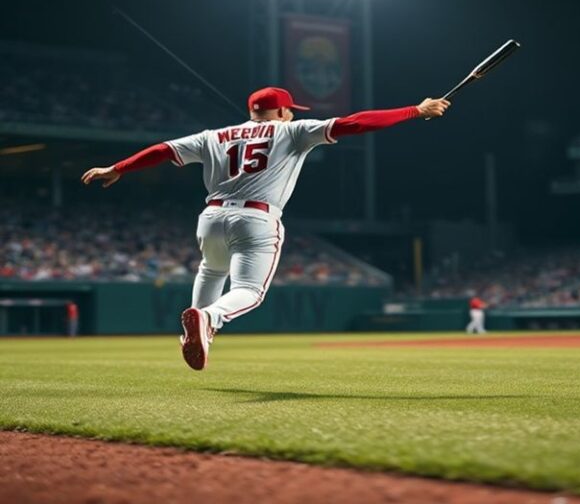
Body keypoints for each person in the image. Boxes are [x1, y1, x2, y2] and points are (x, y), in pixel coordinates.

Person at [82, 87, 450, 370]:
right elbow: (353, 123)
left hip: (210, 217)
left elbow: (163, 150)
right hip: (256, 218)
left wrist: (118, 168)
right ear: (279, 111)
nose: (292, 114)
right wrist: (415, 110)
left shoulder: (214, 135)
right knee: (249, 292)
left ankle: (195, 331)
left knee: (211, 269)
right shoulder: (291, 131)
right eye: (289, 109)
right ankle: (209, 318)